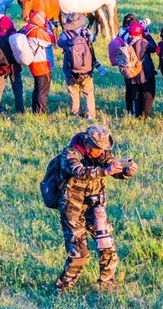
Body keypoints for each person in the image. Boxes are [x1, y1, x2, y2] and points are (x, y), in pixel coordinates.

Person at [52, 125, 138, 292]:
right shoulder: (69, 154)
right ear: (87, 143)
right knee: (79, 254)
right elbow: (79, 171)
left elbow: (114, 169)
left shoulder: (102, 153)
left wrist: (126, 171)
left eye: (103, 149)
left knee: (107, 247)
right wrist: (105, 171)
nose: (101, 152)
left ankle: (106, 285)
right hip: (73, 209)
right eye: (97, 148)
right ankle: (62, 289)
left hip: (95, 207)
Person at [57, 13, 100, 121]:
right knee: (88, 92)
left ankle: (77, 114)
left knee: (73, 92)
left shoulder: (64, 36)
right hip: (87, 70)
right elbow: (94, 39)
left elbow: (59, 44)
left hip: (70, 71)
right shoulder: (86, 33)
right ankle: (90, 115)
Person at [0, 15, 25, 115]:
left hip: (0, 67)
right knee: (17, 89)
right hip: (14, 67)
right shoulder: (14, 35)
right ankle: (20, 110)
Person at [23, 10, 55, 114]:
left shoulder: (27, 28)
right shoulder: (37, 31)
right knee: (43, 91)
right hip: (41, 64)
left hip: (34, 63)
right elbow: (50, 40)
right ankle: (41, 113)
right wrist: (49, 29)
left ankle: (35, 110)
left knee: (37, 89)